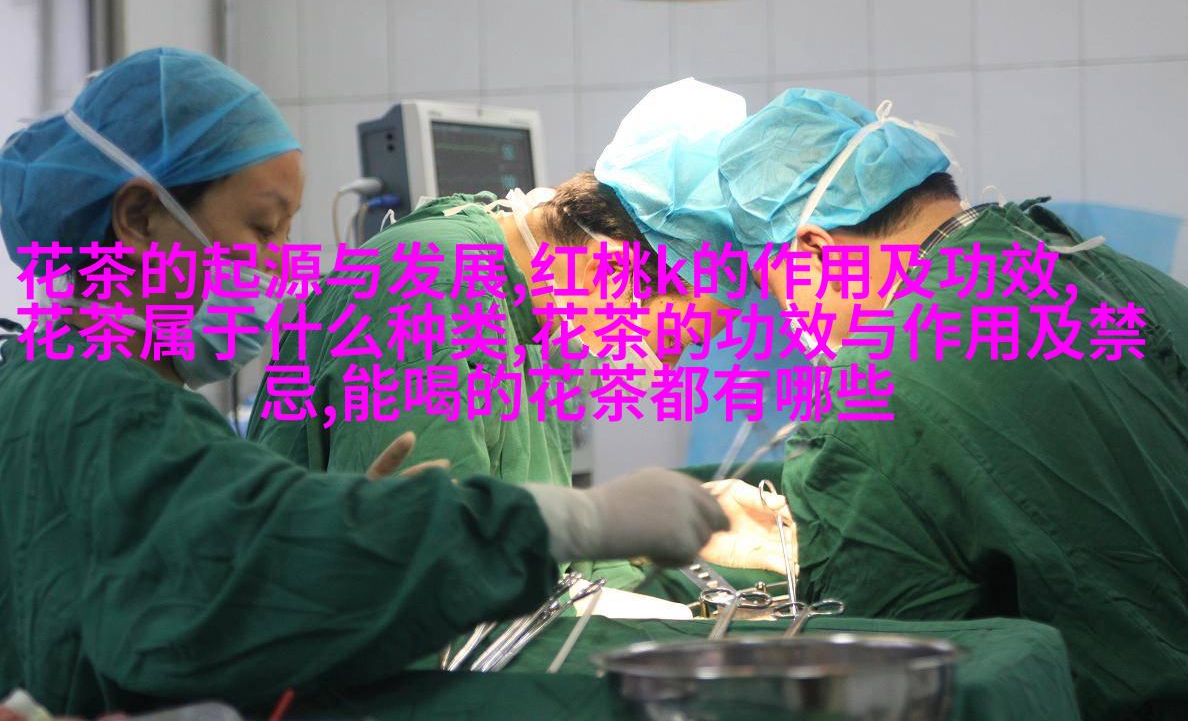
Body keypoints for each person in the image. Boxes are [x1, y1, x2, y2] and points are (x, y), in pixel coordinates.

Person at [0, 47, 729, 716]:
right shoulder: (100, 406)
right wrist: (577, 520)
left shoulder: (81, 384)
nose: (279, 264)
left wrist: (358, 531)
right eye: (262, 228)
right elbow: (248, 568)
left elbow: (224, 585)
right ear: (138, 217)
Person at [718, 87, 1188, 719]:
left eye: (781, 293)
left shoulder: (871, 387)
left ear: (816, 252)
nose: (795, 321)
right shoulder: (1114, 274)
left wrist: (831, 535)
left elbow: (882, 668)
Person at [250, 78, 797, 584]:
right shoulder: (426, 291)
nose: (668, 368)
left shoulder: (537, 323)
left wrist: (652, 535)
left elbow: (535, 546)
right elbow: (439, 569)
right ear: (611, 269)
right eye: (675, 342)